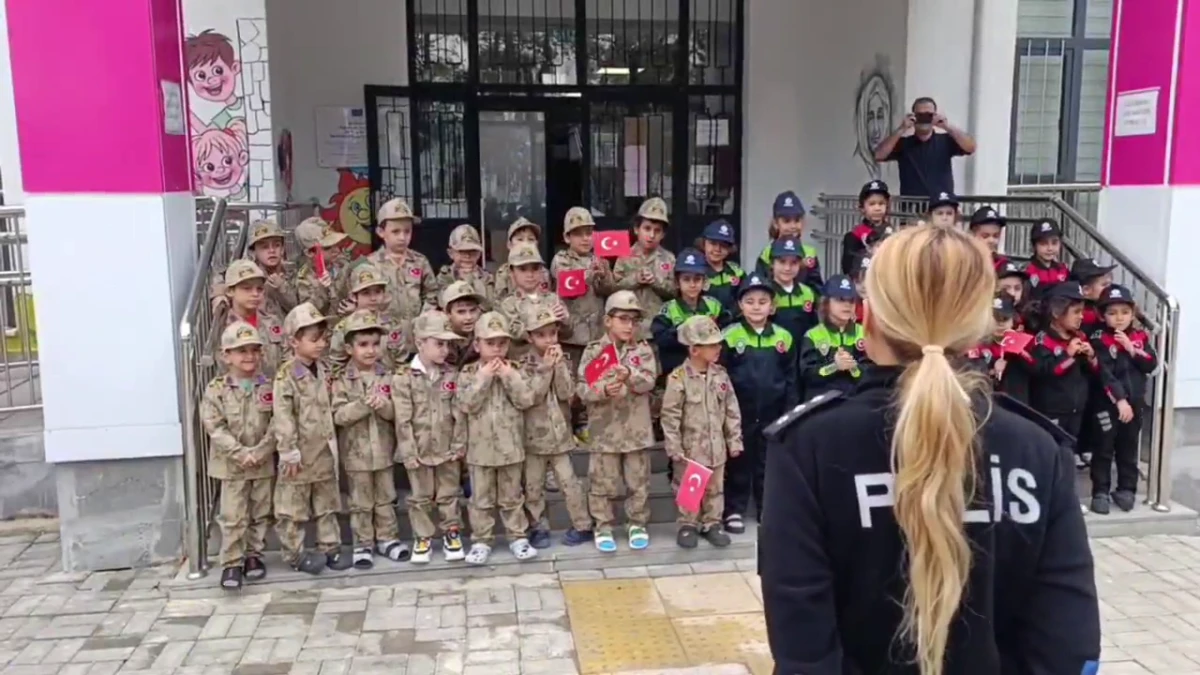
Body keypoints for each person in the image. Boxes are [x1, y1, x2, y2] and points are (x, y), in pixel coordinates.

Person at [759, 224, 1100, 674]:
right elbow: (1067, 650)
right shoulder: (1038, 450)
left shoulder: (808, 448)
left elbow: (804, 651)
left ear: (869, 319)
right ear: (980, 324)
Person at [455, 311, 539, 565]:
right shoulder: (469, 373)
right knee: (480, 499)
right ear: (477, 344)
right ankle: (482, 540)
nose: (496, 349)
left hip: (510, 446)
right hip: (479, 450)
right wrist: (483, 379)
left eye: (502, 343)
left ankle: (517, 536)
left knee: (512, 496)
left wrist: (509, 377)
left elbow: (527, 400)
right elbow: (466, 404)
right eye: (490, 343)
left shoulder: (516, 370)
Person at [577, 291, 658, 552]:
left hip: (636, 430)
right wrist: (602, 391)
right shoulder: (594, 351)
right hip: (605, 430)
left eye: (634, 320)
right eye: (623, 318)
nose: (629, 325)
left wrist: (630, 374)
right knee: (602, 482)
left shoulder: (643, 350)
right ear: (607, 320)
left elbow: (649, 381)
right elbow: (582, 389)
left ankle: (636, 522)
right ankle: (603, 525)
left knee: (638, 481)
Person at [199, 321, 276, 590]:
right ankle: (232, 562)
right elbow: (214, 426)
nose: (249, 356)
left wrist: (262, 451)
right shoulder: (216, 389)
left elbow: (278, 422)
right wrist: (240, 453)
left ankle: (254, 556)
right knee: (233, 515)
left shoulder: (269, 386)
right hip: (232, 466)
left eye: (254, 350)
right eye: (241, 350)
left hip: (262, 462)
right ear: (226, 355)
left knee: (260, 512)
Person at [273, 302, 348, 574]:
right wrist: (288, 450)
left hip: (324, 449)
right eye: (313, 340)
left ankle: (331, 547)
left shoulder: (324, 369)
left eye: (323, 339)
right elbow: (283, 415)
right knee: (292, 508)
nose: (320, 345)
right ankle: (295, 554)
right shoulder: (286, 375)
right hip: (300, 454)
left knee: (327, 503)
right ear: (294, 341)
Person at [721, 274, 798, 535]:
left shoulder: (784, 338)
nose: (756, 306)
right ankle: (734, 509)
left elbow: (790, 379)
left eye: (763, 301)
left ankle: (768, 508)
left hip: (772, 412)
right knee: (738, 460)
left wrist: (788, 412)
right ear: (740, 305)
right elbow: (722, 376)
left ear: (772, 307)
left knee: (768, 462)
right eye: (750, 301)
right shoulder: (730, 336)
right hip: (739, 412)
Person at [331, 310, 408, 568]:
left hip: (384, 451)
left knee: (385, 497)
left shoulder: (388, 376)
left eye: (375, 344)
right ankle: (363, 543)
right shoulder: (342, 379)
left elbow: (398, 412)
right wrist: (363, 405)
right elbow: (338, 415)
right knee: (361, 502)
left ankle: (387, 538)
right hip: (356, 454)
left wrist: (384, 405)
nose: (370, 350)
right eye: (363, 345)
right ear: (349, 348)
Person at [392, 310, 468, 564]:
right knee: (420, 497)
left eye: (447, 344)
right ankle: (422, 536)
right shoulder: (404, 377)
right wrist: (408, 452)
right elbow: (402, 420)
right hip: (419, 449)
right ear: (420, 342)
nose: (445, 350)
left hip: (446, 447)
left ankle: (451, 532)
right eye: (439, 343)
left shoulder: (451, 374)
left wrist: (459, 444)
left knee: (448, 493)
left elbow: (458, 414)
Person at [661, 315, 743, 549]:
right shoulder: (679, 378)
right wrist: (673, 446)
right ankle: (688, 524)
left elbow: (731, 409)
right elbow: (670, 415)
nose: (718, 348)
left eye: (718, 343)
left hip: (717, 448)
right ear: (695, 349)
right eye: (712, 345)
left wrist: (734, 440)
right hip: (691, 448)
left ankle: (712, 522)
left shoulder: (720, 375)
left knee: (716, 488)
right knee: (690, 487)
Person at [519, 306, 594, 548]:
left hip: (560, 436)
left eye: (552, 333)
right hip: (533, 438)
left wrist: (559, 366)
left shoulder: (563, 359)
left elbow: (567, 394)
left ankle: (582, 525)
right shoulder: (523, 363)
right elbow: (530, 397)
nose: (548, 339)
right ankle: (537, 526)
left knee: (570, 484)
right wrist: (546, 369)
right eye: (541, 335)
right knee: (533, 487)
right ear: (530, 337)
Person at [1089, 284, 1158, 515]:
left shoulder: (1139, 336)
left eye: (1124, 312)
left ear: (1132, 313)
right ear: (1102, 315)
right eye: (1112, 313)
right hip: (1108, 404)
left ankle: (1126, 488)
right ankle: (1100, 490)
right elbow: (1104, 373)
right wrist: (1119, 400)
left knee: (1128, 447)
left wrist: (1132, 349)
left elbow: (1151, 364)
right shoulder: (1099, 338)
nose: (1119, 318)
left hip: (1135, 402)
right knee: (1104, 447)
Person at [873, 96, 977, 198]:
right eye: (920, 115)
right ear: (913, 117)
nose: (924, 120)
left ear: (935, 116)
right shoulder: (903, 144)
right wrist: (901, 129)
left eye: (928, 115)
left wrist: (947, 126)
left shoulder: (945, 141)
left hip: (941, 207)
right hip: (912, 208)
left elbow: (971, 147)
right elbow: (878, 155)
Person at [651, 248, 729, 382]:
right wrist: (684, 328)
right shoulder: (669, 309)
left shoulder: (714, 306)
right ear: (677, 282)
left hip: (710, 374)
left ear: (704, 282)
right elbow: (661, 341)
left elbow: (726, 334)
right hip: (679, 374)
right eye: (686, 279)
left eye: (697, 279)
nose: (692, 285)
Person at [612, 197, 677, 340]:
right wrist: (635, 280)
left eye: (657, 231)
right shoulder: (624, 256)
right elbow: (613, 290)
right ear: (636, 229)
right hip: (629, 331)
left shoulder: (669, 259)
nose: (651, 235)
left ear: (663, 234)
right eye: (647, 229)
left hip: (658, 330)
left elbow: (676, 292)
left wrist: (655, 281)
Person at [328, 262, 410, 374]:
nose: (373, 298)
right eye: (366, 293)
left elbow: (401, 362)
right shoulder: (344, 327)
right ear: (353, 296)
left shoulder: (392, 324)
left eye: (377, 292)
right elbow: (336, 367)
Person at [369, 198, 438, 326]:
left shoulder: (420, 261)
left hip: (415, 332)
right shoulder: (370, 265)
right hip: (383, 334)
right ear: (381, 232)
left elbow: (431, 294)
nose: (402, 237)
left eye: (407, 231)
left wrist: (423, 320)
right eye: (395, 231)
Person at [212, 260, 287, 376]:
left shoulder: (272, 321)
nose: (255, 294)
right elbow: (223, 368)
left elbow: (287, 357)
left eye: (259, 289)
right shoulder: (223, 326)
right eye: (247, 288)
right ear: (230, 291)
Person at [498, 243, 572, 360]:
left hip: (553, 361)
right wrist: (546, 318)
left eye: (535, 268)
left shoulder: (552, 299)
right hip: (522, 365)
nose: (530, 274)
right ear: (511, 272)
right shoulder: (508, 304)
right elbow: (516, 333)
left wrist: (564, 319)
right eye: (522, 269)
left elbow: (567, 334)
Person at [798, 275, 867, 401]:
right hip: (822, 405)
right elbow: (807, 375)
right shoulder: (813, 335)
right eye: (840, 299)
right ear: (826, 302)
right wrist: (835, 366)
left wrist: (852, 367)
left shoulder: (864, 333)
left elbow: (871, 373)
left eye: (851, 300)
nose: (847, 305)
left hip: (855, 403)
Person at [757, 191, 822, 289]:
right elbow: (760, 287)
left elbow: (817, 288)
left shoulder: (809, 253)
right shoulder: (767, 253)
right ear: (775, 223)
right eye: (786, 221)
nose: (792, 226)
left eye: (797, 220)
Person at [293, 217, 350, 315]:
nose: (336, 250)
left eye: (336, 244)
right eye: (327, 248)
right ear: (310, 253)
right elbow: (308, 313)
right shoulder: (304, 280)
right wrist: (321, 289)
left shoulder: (343, 266)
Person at [765, 237, 819, 341]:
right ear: (772, 263)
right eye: (782, 262)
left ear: (800, 264)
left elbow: (814, 327)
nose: (787, 268)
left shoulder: (807, 293)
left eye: (793, 263)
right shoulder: (766, 293)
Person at [435, 224, 494, 309]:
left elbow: (490, 305)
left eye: (473, 251)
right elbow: (442, 302)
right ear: (451, 253)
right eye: (462, 252)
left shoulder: (487, 278)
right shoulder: (444, 277)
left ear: (479, 254)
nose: (467, 256)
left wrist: (473, 279)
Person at [841, 181, 894, 275]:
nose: (877, 208)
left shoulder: (894, 235)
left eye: (881, 203)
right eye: (872, 204)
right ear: (862, 208)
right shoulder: (853, 236)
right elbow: (848, 269)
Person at [494, 217, 549, 301]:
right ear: (509, 245)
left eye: (531, 239)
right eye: (520, 239)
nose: (525, 243)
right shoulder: (503, 273)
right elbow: (499, 302)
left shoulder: (543, 272)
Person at [698, 219, 745, 316]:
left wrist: (731, 314)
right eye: (713, 243)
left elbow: (746, 296)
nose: (717, 249)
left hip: (733, 323)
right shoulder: (696, 269)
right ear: (703, 243)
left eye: (723, 245)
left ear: (730, 248)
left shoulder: (736, 271)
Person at [1025, 218, 1070, 293]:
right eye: (1043, 243)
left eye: (1054, 243)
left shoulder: (1064, 270)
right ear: (1034, 246)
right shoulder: (1026, 272)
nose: (1050, 248)